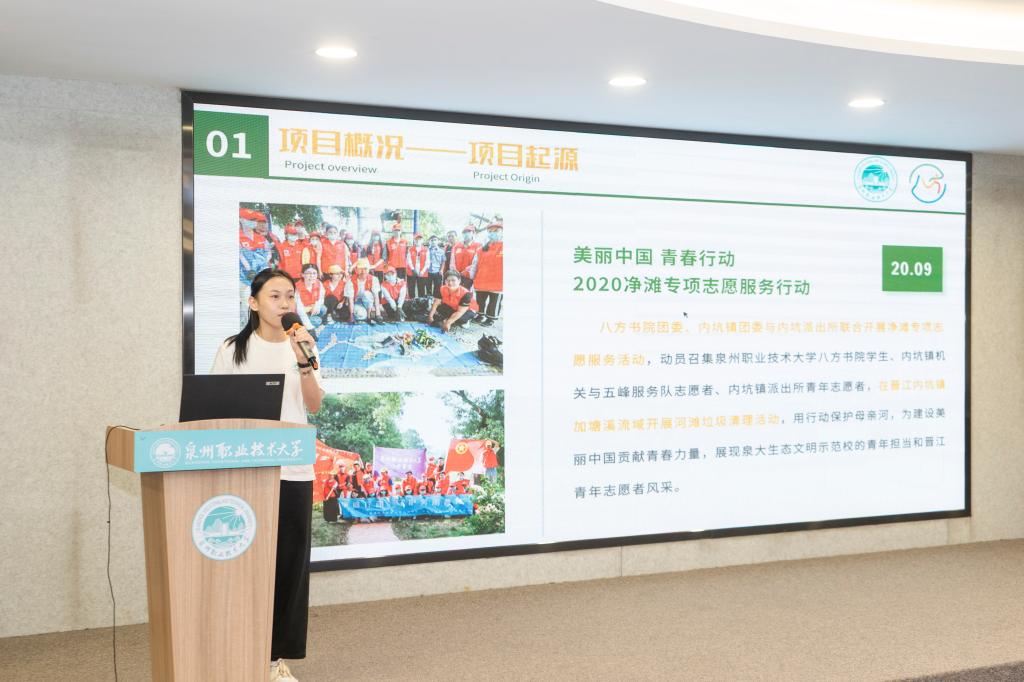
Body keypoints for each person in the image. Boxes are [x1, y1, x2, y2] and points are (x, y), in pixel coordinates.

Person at [210, 268, 323, 682]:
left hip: (292, 469)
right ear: (254, 302)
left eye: (290, 296)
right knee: (242, 567)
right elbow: (214, 408)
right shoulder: (232, 349)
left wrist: (304, 362)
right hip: (245, 469)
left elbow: (314, 404)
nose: (284, 304)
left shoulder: (304, 344)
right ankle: (236, 653)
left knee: (288, 568)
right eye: (275, 296)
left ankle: (274, 659)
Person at [473, 223, 503, 327]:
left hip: (497, 281)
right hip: (482, 279)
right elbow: (475, 264)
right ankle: (479, 315)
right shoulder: (481, 249)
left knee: (494, 301)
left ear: (502, 232)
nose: (492, 233)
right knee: (480, 300)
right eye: (490, 231)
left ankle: (490, 319)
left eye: (496, 231)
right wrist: (472, 275)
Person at [343, 258, 382, 324]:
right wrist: (351, 315)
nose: (363, 271)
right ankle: (363, 313)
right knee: (360, 316)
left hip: (368, 302)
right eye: (360, 269)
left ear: (368, 269)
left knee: (367, 294)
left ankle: (369, 315)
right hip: (357, 301)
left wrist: (378, 314)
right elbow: (350, 299)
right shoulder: (350, 280)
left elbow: (376, 297)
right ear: (356, 270)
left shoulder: (374, 279)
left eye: (365, 269)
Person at [406, 233, 430, 299]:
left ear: (422, 240)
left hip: (422, 273)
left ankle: (421, 302)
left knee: (421, 289)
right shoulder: (410, 249)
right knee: (411, 288)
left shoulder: (426, 250)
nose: (418, 241)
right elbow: (408, 260)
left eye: (419, 239)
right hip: (411, 272)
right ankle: (412, 301)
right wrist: (413, 269)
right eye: (416, 239)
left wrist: (422, 271)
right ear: (414, 240)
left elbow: (427, 262)